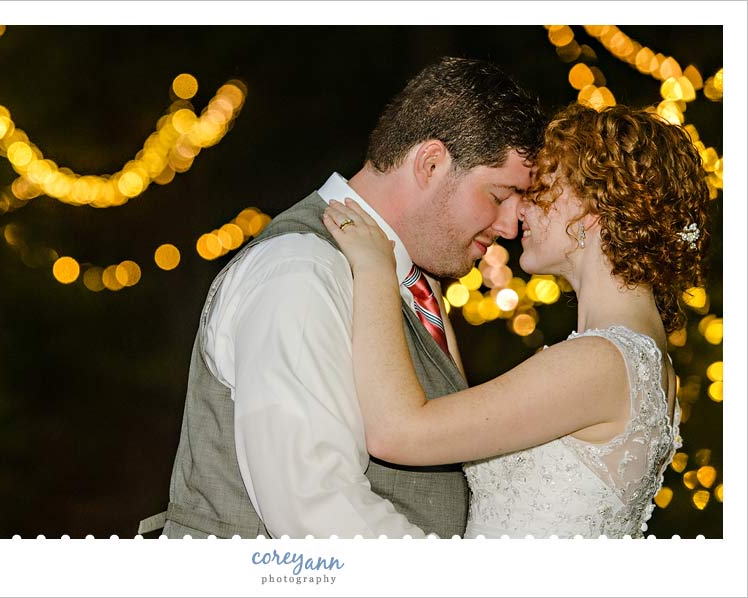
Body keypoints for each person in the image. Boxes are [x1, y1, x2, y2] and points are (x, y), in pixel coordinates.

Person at [140, 57, 545, 538]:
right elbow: (316, 509)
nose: (508, 228)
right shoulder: (302, 269)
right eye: (500, 196)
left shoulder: (411, 282)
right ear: (431, 163)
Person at [322, 102, 711, 538]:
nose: (521, 210)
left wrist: (377, 267)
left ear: (592, 210)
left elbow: (398, 431)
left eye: (543, 188)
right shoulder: (643, 361)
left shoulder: (599, 362)